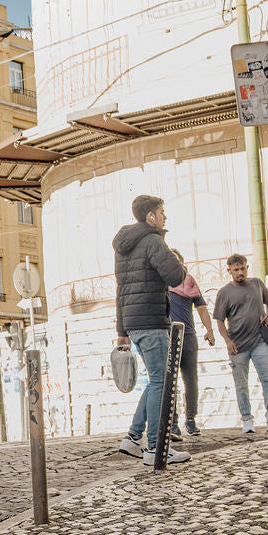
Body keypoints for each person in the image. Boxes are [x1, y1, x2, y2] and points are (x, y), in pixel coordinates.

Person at [113, 194, 190, 467]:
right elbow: (176, 276)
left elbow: (121, 290)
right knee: (161, 382)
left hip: (134, 323)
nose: (165, 217)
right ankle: (157, 447)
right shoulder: (152, 241)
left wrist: (122, 329)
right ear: (151, 217)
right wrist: (177, 259)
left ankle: (134, 438)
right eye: (162, 212)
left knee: (154, 380)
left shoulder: (123, 246)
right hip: (152, 320)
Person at [213, 253, 268, 434]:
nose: (240, 272)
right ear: (229, 271)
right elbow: (219, 321)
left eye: (242, 268)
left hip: (260, 341)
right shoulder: (224, 293)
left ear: (247, 267)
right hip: (237, 346)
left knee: (267, 378)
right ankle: (247, 420)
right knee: (241, 384)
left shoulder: (257, 284)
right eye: (236, 270)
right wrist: (227, 341)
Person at [168, 251, 215, 437]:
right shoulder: (160, 282)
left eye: (176, 259)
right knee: (169, 383)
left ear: (182, 262)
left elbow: (202, 308)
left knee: (191, 381)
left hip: (188, 336)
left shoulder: (190, 281)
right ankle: (172, 424)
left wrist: (209, 330)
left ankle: (191, 420)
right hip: (168, 336)